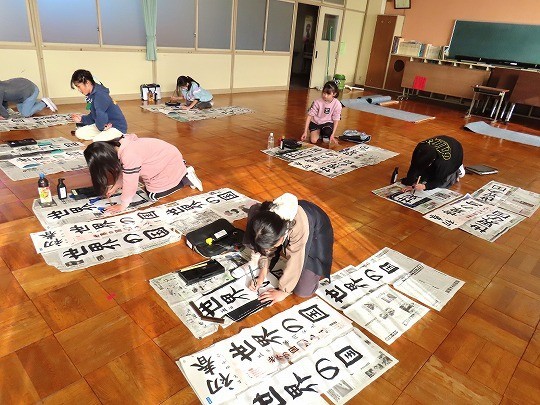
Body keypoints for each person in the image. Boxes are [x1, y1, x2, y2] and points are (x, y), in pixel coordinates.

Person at [243, 193, 334, 305]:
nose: (269, 249)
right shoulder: (259, 218)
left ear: (282, 236)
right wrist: (262, 275)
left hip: (316, 230)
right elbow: (265, 250)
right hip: (284, 228)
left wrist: (283, 291)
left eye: (273, 245)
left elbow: (296, 259)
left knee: (303, 291)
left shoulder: (299, 226)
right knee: (267, 249)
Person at [83, 133, 203, 214]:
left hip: (169, 164)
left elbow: (130, 182)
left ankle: (185, 177)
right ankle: (181, 170)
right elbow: (125, 170)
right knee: (146, 186)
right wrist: (116, 185)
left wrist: (123, 205)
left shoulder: (129, 155)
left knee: (153, 195)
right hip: (168, 158)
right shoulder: (118, 145)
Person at [70, 69, 127, 141]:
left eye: (79, 86)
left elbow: (101, 115)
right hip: (103, 125)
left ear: (87, 83)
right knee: (79, 133)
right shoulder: (91, 95)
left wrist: (102, 128)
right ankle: (105, 135)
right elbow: (94, 115)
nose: (78, 90)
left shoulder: (100, 95)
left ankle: (119, 136)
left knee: (97, 140)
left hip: (115, 127)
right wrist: (82, 119)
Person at [301, 81, 341, 145]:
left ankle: (324, 134)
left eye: (328, 94)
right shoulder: (317, 102)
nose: (325, 96)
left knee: (327, 136)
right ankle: (320, 133)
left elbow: (336, 120)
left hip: (327, 124)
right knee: (313, 140)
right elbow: (309, 116)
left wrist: (332, 134)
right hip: (315, 123)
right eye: (324, 93)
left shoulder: (337, 104)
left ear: (334, 94)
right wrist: (305, 132)